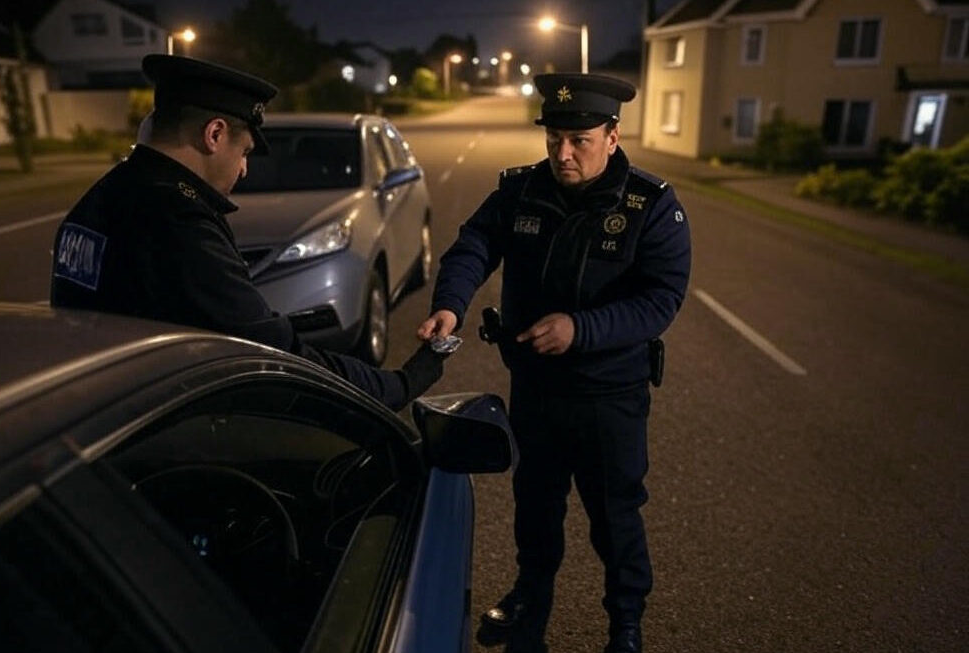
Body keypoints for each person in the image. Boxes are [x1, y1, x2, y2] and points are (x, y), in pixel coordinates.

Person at [416, 73, 692, 652]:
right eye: (553, 139)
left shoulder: (650, 206)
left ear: (613, 136)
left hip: (608, 396)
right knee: (535, 506)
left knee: (615, 516)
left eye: (579, 141)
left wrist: (582, 328)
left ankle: (626, 624)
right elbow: (473, 245)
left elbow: (660, 299)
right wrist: (450, 304)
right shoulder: (521, 191)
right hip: (537, 389)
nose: (562, 154)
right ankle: (529, 600)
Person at [51, 54, 444, 411]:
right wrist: (398, 385)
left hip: (95, 411)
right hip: (158, 427)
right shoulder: (177, 222)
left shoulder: (99, 199)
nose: (244, 170)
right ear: (215, 134)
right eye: (244, 153)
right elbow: (276, 353)